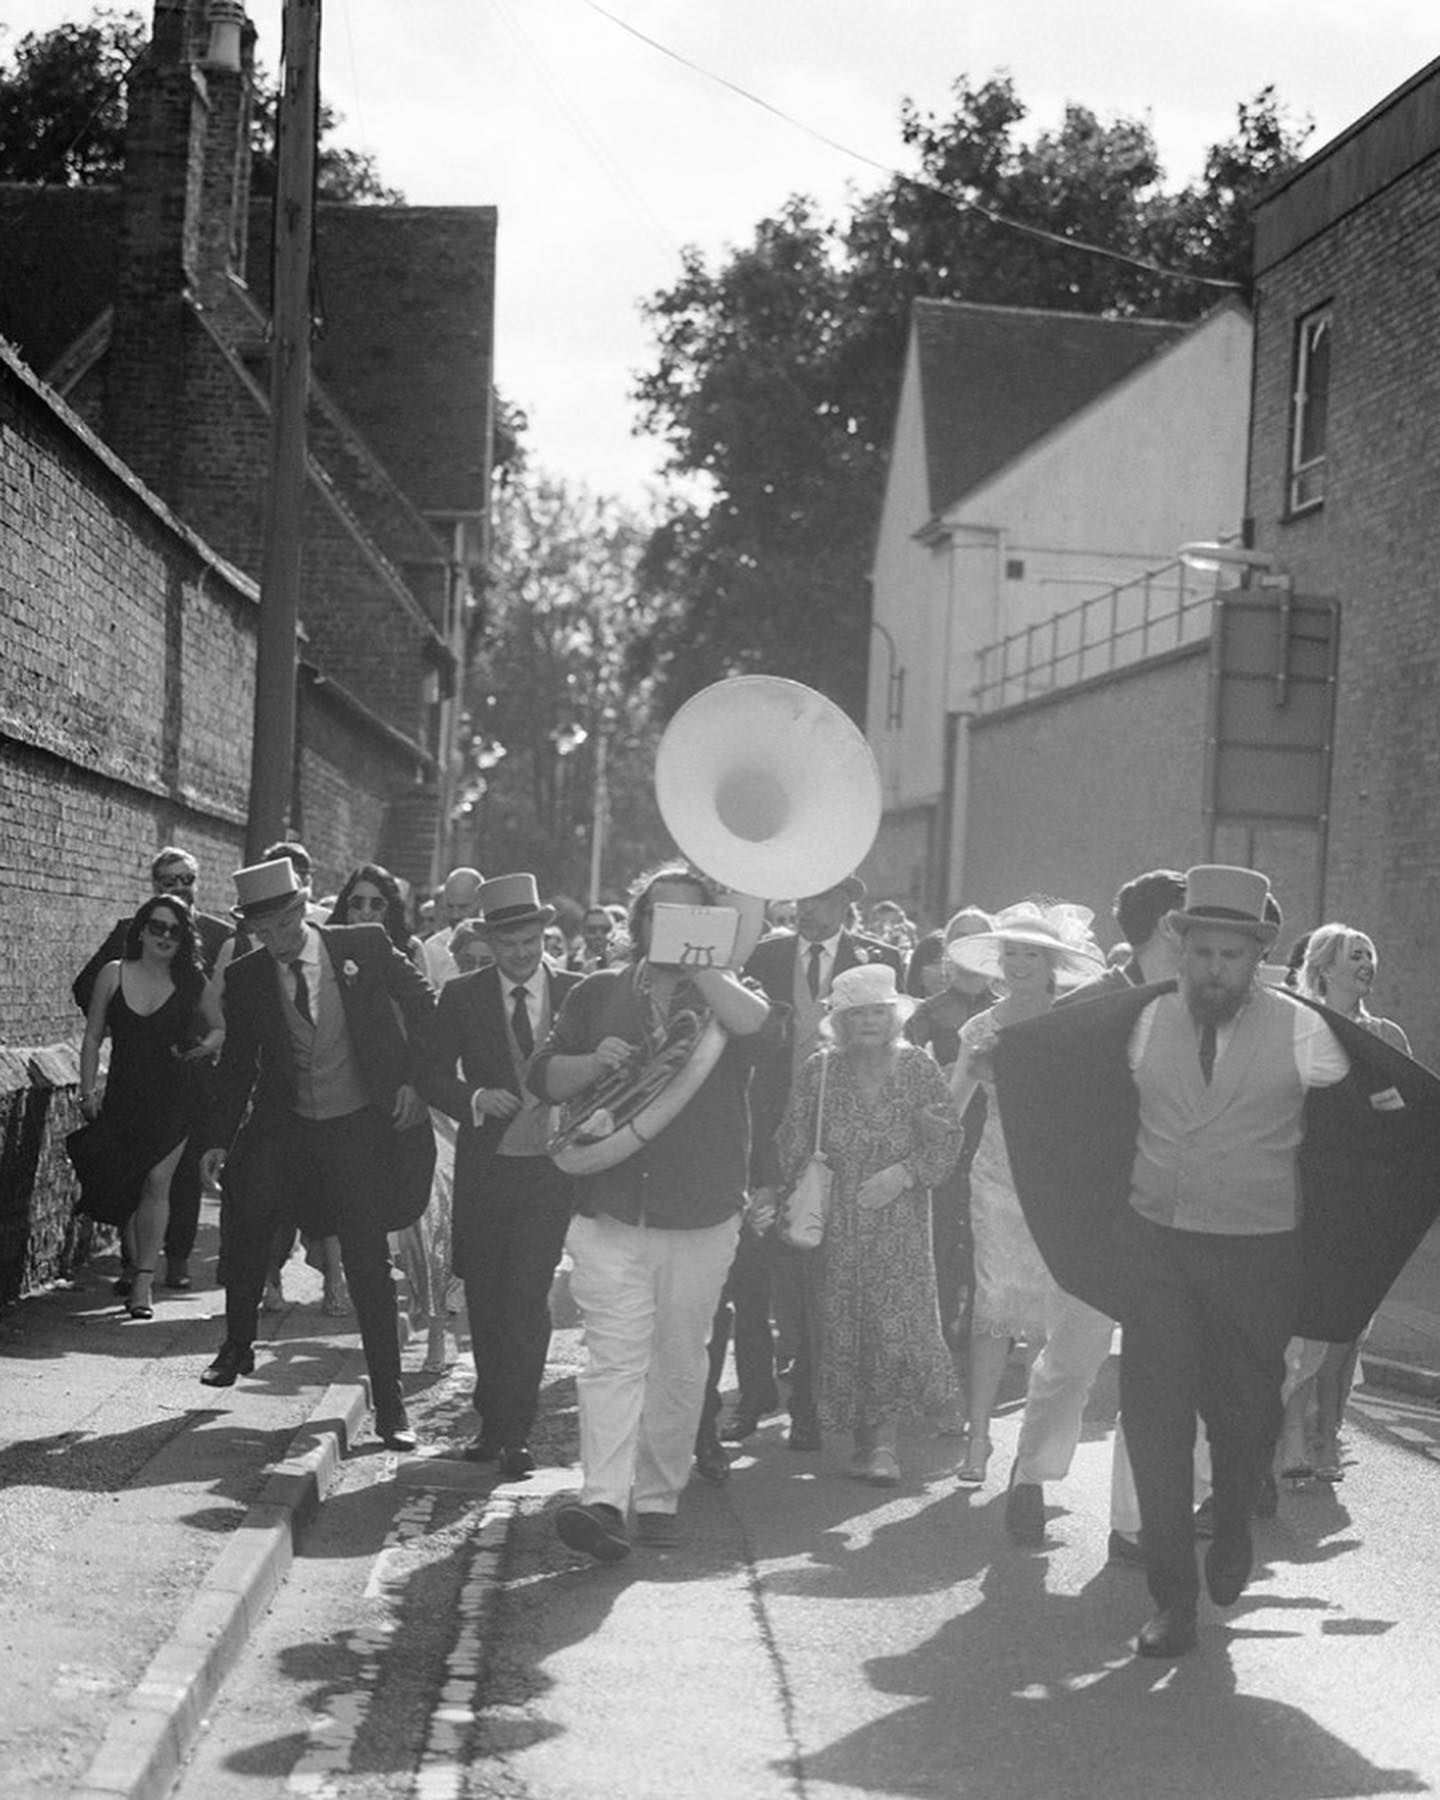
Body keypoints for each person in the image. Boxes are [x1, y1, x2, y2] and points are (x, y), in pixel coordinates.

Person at [994, 864, 1440, 1659]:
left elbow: (1376, 1107)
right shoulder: (1136, 1025)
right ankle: (1173, 1600)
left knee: (1244, 1418)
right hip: (1156, 1249)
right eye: (1202, 953)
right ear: (1182, 946)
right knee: (1157, 1423)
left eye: (1232, 958)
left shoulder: (1305, 1034)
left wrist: (1380, 1168)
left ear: (1257, 958)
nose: (1214, 971)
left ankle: (1232, 1519)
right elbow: (1070, 1087)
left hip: (1258, 1254)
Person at [529, 862, 777, 1561]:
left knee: (678, 1359)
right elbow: (541, 1073)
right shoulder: (599, 990)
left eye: (692, 917)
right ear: (639, 925)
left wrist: (706, 970)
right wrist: (591, 1064)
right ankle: (602, 1500)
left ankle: (661, 1493)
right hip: (609, 1206)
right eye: (661, 916)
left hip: (701, 1211)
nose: (674, 928)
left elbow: (764, 1034)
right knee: (612, 1359)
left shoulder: (732, 995)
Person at [196, 857, 437, 1452]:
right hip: (290, 1122)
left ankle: (390, 1403)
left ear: (301, 910)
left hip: (358, 1125)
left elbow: (428, 1006)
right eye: (261, 932)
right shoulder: (250, 976)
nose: (273, 942)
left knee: (366, 1264)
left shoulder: (362, 945)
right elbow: (237, 1066)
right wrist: (218, 1139)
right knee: (248, 1215)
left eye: (281, 927)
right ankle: (237, 1343)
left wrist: (416, 1082)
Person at [1004, 870, 1187, 1549]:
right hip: (1095, 1217)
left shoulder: (1202, 1004)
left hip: (1173, 1214)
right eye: (1191, 917)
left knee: (1156, 1371)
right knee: (1073, 1359)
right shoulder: (1089, 1008)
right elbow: (1047, 1118)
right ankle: (1030, 1475)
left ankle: (1132, 1528)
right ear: (1167, 925)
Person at [716, 875, 904, 1455]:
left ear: (850, 902)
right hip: (758, 1133)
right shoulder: (762, 954)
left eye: (822, 900)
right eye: (801, 899)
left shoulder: (880, 960)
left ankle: (809, 1405)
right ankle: (751, 1396)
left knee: (819, 1278)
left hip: (838, 1142)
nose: (807, 910)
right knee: (748, 1273)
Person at [418, 873, 581, 1477]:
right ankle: (492, 1417)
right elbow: (431, 1073)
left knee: (525, 1295)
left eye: (530, 941)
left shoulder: (578, 992)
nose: (520, 954)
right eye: (509, 942)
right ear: (491, 938)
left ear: (544, 933)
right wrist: (477, 1097)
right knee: (485, 1297)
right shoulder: (462, 996)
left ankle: (516, 1430)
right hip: (488, 1168)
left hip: (553, 1171)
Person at [775, 964, 963, 1483]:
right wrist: (801, 1183)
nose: (870, 1022)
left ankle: (884, 1446)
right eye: (858, 1014)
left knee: (891, 1324)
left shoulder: (919, 1068)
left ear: (895, 1016)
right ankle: (866, 1438)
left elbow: (947, 1138)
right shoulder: (820, 1070)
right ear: (840, 1021)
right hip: (835, 1224)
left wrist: (906, 1173)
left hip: (898, 1220)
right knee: (840, 1327)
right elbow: (790, 1140)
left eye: (879, 1011)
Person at [947, 901, 1106, 1488]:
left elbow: (1092, 1111)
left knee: (1058, 1316)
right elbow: (951, 1106)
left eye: (1030, 954)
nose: (1017, 964)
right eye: (1009, 952)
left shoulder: (1074, 1026)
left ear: (1052, 964)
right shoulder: (980, 1028)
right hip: (996, 1179)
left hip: (1060, 1181)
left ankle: (1032, 1447)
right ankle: (978, 1436)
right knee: (992, 1308)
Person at [1276, 923, 1414, 1481]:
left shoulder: (1387, 1035)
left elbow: (1408, 1113)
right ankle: (1291, 1436)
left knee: (1349, 1327)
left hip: (1366, 1199)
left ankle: (1327, 1433)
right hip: (1306, 1192)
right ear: (1324, 966)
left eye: (1370, 956)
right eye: (1355, 956)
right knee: (1304, 1323)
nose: (1366, 964)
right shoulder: (1298, 1024)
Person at [73, 846, 234, 1292]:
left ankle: (177, 1259)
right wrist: (131, 1022)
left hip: (193, 1076)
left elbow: (234, 1003)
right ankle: (134, 1264)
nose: (180, 888)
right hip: (135, 1073)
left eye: (187, 880)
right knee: (133, 1172)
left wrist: (203, 1041)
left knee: (178, 1177)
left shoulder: (219, 935)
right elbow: (87, 986)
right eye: (169, 881)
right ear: (155, 887)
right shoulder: (131, 932)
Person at [421, 867, 486, 990]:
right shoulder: (432, 948)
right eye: (450, 907)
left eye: (463, 907)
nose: (455, 915)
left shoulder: (504, 942)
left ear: (482, 901)